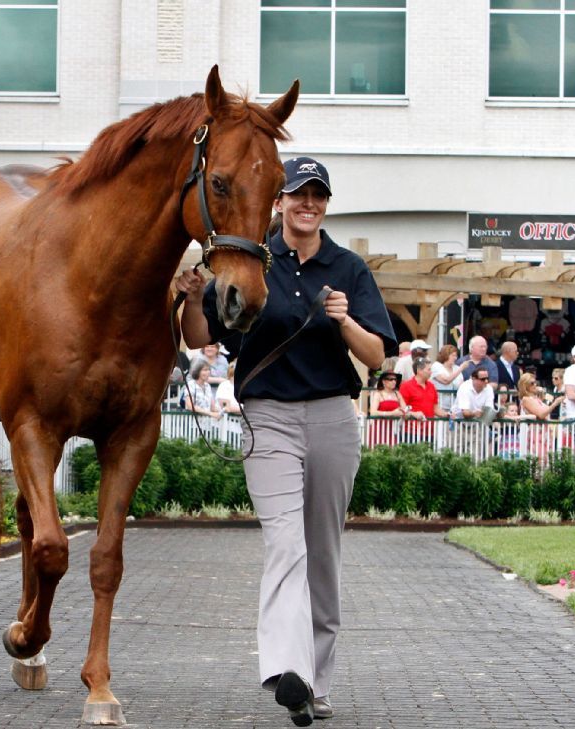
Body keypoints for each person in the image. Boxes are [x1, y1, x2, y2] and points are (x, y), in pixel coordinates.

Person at [176, 156, 394, 726]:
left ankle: (316, 685)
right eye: (299, 193)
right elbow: (201, 337)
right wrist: (188, 295)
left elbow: (376, 356)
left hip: (331, 417)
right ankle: (286, 671)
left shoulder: (347, 268)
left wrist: (345, 322)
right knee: (285, 544)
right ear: (279, 200)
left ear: (325, 204)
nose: (308, 204)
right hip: (268, 417)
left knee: (322, 554)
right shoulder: (251, 260)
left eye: (318, 195)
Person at [368, 370, 407, 445]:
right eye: (390, 379)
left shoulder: (397, 394)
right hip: (379, 428)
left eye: (395, 379)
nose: (394, 382)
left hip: (393, 428)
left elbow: (405, 409)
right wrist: (392, 413)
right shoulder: (378, 394)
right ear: (384, 381)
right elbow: (373, 412)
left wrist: (403, 412)